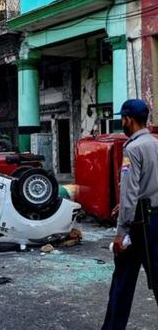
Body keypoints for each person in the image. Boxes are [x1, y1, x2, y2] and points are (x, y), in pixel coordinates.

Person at [102, 99, 158, 330]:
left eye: (122, 119)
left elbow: (130, 191)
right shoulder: (155, 143)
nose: (121, 123)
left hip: (138, 224)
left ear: (128, 119)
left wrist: (120, 233)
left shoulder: (133, 148)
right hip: (156, 221)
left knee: (122, 282)